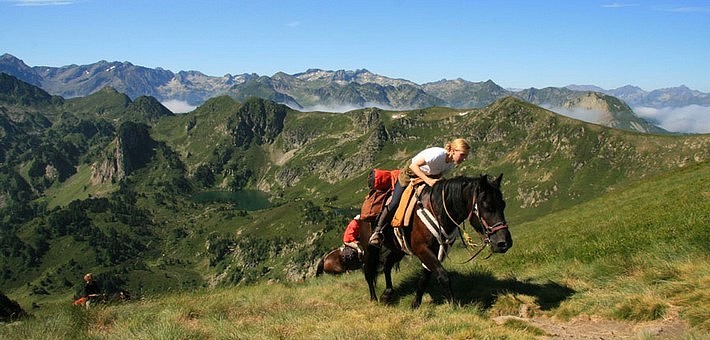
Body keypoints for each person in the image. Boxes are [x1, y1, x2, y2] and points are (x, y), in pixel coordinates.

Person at [368, 138, 471, 246]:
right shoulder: (437, 155)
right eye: (463, 155)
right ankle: (377, 231)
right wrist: (428, 180)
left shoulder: (450, 164)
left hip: (427, 179)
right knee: (395, 202)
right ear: (453, 150)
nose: (464, 159)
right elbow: (413, 166)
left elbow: (438, 175)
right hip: (410, 176)